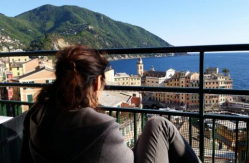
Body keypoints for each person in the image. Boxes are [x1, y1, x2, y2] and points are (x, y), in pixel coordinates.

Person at [20, 45, 201, 163]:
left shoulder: (35, 113)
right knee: (159, 124)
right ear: (97, 83)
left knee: (156, 125)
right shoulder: (100, 128)